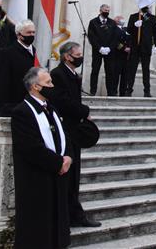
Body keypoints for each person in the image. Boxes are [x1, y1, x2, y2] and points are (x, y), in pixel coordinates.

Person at [10, 67, 72, 248]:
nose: (52, 86)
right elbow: (30, 147)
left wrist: (68, 157)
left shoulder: (51, 108)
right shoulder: (22, 111)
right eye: (48, 83)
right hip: (36, 178)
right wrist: (58, 163)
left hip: (57, 175)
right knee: (37, 228)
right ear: (36, 87)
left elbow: (64, 136)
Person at [48, 42, 101, 228]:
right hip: (66, 130)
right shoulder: (57, 74)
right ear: (67, 56)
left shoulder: (72, 74)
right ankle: (71, 215)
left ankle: (73, 214)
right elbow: (61, 101)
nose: (80, 57)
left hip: (74, 129)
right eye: (77, 54)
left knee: (75, 175)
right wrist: (84, 111)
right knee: (69, 175)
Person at [0, 20, 38, 117]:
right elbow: (3, 81)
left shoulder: (37, 52)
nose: (31, 35)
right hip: (17, 101)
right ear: (19, 35)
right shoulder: (7, 53)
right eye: (28, 32)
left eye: (33, 32)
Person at [125, 6, 156, 97]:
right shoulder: (133, 17)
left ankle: (147, 91)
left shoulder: (152, 18)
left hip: (146, 47)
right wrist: (134, 26)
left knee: (146, 70)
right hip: (135, 47)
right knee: (132, 70)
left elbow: (155, 33)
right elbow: (128, 31)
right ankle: (129, 90)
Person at [86, 4, 117, 96]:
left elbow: (115, 37)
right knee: (95, 70)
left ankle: (110, 92)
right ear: (100, 11)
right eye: (105, 10)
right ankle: (93, 91)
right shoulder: (93, 22)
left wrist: (109, 48)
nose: (107, 12)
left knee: (110, 72)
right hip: (97, 51)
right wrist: (99, 48)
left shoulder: (112, 22)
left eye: (108, 11)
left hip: (109, 51)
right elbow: (91, 37)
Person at [110, 15, 131, 96]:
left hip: (126, 57)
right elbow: (114, 41)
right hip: (117, 55)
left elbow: (131, 39)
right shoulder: (113, 29)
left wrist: (130, 48)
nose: (121, 20)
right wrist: (123, 48)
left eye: (122, 18)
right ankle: (114, 92)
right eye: (119, 18)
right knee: (115, 75)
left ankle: (123, 92)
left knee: (125, 75)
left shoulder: (126, 29)